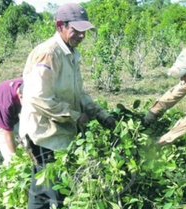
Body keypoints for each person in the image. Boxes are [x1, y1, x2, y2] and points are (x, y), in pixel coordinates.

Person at [19, 3, 116, 208]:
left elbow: (78, 93)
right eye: (76, 31)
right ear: (59, 26)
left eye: (84, 31)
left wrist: (101, 115)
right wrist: (73, 115)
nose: (81, 36)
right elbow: (38, 97)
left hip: (60, 131)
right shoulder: (49, 53)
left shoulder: (71, 53)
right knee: (45, 192)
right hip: (44, 133)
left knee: (58, 189)